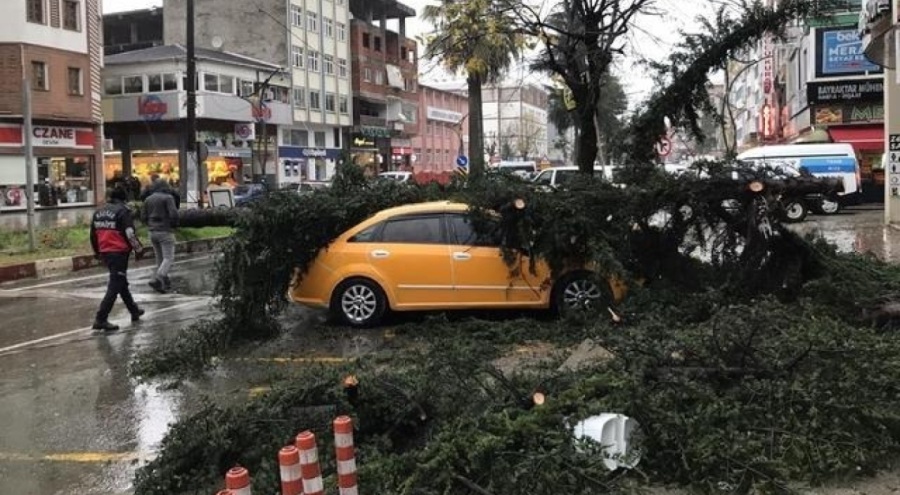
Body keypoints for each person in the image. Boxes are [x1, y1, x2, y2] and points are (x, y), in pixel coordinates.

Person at [90, 186, 145, 332]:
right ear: (123, 198)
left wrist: (97, 252)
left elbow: (93, 234)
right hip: (119, 253)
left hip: (106, 252)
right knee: (115, 285)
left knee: (120, 282)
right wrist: (139, 249)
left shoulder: (99, 212)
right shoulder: (123, 212)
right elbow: (129, 233)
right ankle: (101, 318)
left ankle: (134, 310)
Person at [141, 177, 179, 293]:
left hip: (152, 232)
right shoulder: (168, 198)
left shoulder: (148, 199)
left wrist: (150, 224)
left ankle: (164, 283)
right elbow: (173, 213)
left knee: (160, 258)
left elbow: (143, 216)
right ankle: (158, 278)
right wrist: (174, 225)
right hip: (165, 230)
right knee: (168, 258)